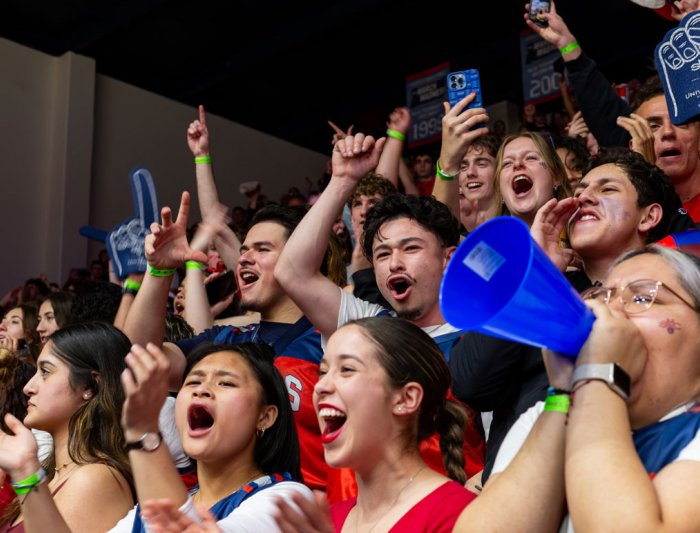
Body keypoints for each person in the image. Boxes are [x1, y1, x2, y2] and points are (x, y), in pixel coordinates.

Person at [449, 147, 693, 482]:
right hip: (522, 488)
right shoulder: (545, 290)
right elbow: (470, 382)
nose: (583, 199)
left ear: (649, 216)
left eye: (606, 189)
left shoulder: (679, 290)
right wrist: (537, 271)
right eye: (579, 193)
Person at [275, 132, 485, 500]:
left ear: (449, 258)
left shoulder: (485, 332)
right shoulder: (372, 326)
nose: (394, 263)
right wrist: (343, 181)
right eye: (383, 254)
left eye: (411, 248)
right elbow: (292, 271)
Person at [453, 245, 700, 531]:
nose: (607, 314)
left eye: (643, 296)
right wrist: (566, 392)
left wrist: (598, 375)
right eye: (601, 298)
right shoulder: (547, 412)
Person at [121, 193, 327, 491]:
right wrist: (159, 271)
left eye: (262, 249)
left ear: (304, 255)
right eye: (243, 250)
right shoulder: (226, 341)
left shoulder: (332, 337)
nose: (244, 258)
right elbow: (141, 357)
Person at [274, 317, 475, 532]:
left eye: (347, 369)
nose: (320, 386)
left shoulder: (457, 515)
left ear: (406, 399)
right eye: (323, 372)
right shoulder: (331, 519)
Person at [525, 1, 700, 221]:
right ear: (633, 142)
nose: (667, 132)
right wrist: (566, 44)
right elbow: (603, 108)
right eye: (652, 126)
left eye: (680, 122)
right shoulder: (628, 221)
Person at [109, 341, 311, 532]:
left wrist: (144, 434)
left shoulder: (290, 500)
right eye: (194, 381)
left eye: (225, 383)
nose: (201, 390)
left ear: (265, 417)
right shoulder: (147, 506)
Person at [0, 322, 134, 532]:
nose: (28, 388)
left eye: (45, 371)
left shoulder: (94, 479)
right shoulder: (53, 473)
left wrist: (24, 471)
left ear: (89, 386)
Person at [432, 92, 498, 233]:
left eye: (481, 163)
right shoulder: (458, 237)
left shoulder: (520, 220)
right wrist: (448, 158)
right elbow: (439, 235)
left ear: (500, 170)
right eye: (463, 166)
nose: (470, 173)